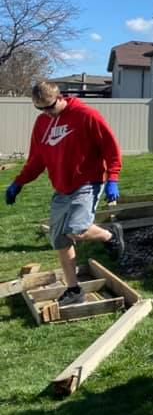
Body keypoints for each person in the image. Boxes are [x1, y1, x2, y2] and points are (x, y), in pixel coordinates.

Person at [5, 82, 125, 306]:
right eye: (39, 109)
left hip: (88, 181)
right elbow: (37, 159)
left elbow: (111, 148)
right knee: (59, 239)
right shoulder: (42, 123)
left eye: (49, 107)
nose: (45, 113)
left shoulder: (86, 115)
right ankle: (74, 289)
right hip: (62, 187)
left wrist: (113, 179)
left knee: (77, 230)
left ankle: (109, 234)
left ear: (60, 98)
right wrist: (18, 182)